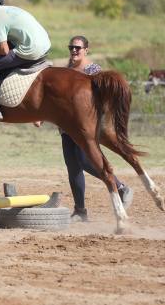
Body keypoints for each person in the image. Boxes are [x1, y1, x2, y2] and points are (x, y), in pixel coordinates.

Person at [57, 36, 133, 221]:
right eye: (71, 47)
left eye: (77, 48)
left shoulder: (94, 70)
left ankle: (120, 187)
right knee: (73, 168)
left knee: (84, 161)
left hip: (85, 128)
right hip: (66, 128)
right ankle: (80, 211)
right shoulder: (66, 71)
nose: (73, 51)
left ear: (86, 50)